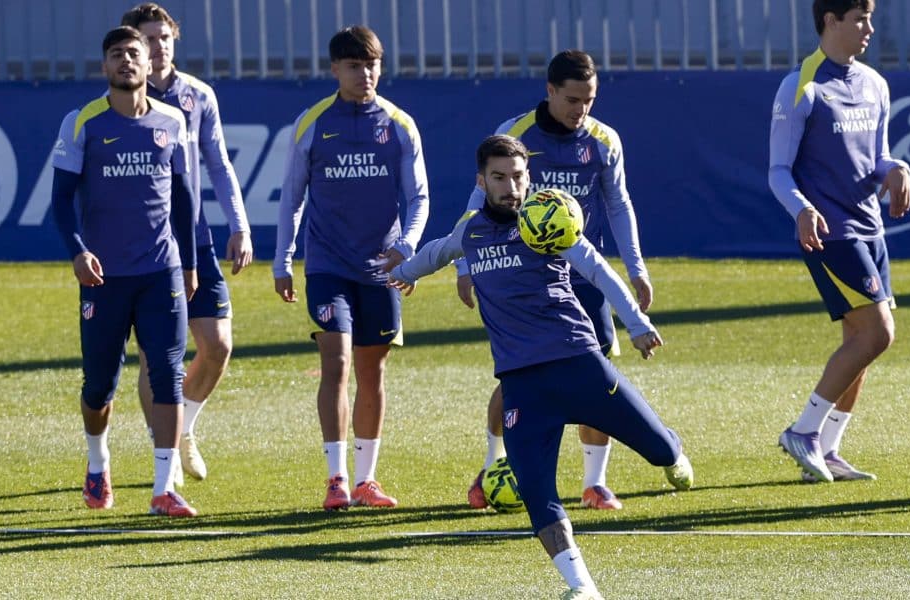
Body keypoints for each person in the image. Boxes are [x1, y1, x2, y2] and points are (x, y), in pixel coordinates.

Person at [389, 135, 691, 600]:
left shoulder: (547, 221)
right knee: (536, 492)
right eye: (499, 177)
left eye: (518, 176)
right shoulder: (472, 231)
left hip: (580, 365)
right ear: (481, 181)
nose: (511, 187)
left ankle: (673, 452)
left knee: (657, 450)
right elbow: (441, 250)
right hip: (522, 384)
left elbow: (598, 271)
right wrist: (405, 272)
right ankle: (581, 586)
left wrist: (636, 324)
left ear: (529, 177)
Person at [457, 50, 684, 511]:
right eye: (573, 99)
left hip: (581, 271)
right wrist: (465, 266)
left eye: (590, 99)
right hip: (523, 271)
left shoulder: (603, 140)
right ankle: (493, 463)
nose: (582, 109)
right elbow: (479, 197)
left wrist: (635, 267)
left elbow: (619, 205)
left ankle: (594, 482)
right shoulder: (516, 134)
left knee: (594, 373)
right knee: (518, 375)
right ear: (550, 91)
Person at [273, 25, 430, 510]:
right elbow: (291, 200)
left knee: (372, 370)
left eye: (372, 65)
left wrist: (407, 247)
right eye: (355, 66)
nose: (365, 74)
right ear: (335, 69)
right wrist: (282, 259)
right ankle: (336, 479)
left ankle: (366, 480)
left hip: (381, 268)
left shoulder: (399, 125)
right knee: (336, 363)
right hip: (327, 265)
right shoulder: (314, 122)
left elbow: (419, 196)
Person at [50, 25, 199, 517]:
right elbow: (61, 199)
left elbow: (183, 199)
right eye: (117, 55)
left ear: (147, 62)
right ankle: (98, 462)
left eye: (134, 53)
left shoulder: (172, 121)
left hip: (162, 271)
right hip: (104, 278)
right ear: (105, 67)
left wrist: (191, 262)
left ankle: (163, 487)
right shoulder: (83, 122)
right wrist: (77, 251)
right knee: (99, 387)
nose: (127, 61)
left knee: (168, 376)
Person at [769, 0, 910, 482]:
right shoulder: (801, 86)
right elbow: (777, 171)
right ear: (830, 22)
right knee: (878, 333)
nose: (869, 28)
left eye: (869, 18)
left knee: (861, 340)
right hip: (830, 231)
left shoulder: (875, 84)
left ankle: (827, 449)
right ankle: (804, 431)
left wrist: (895, 170)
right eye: (859, 19)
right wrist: (802, 208)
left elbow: (878, 156)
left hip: (871, 226)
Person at [120, 2, 253, 486]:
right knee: (158, 356)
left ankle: (184, 428)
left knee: (217, 345)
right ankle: (166, 453)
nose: (156, 48)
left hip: (194, 237)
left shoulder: (198, 95)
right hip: (145, 243)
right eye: (146, 39)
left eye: (163, 38)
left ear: (175, 41)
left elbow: (218, 164)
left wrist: (239, 224)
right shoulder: (121, 99)